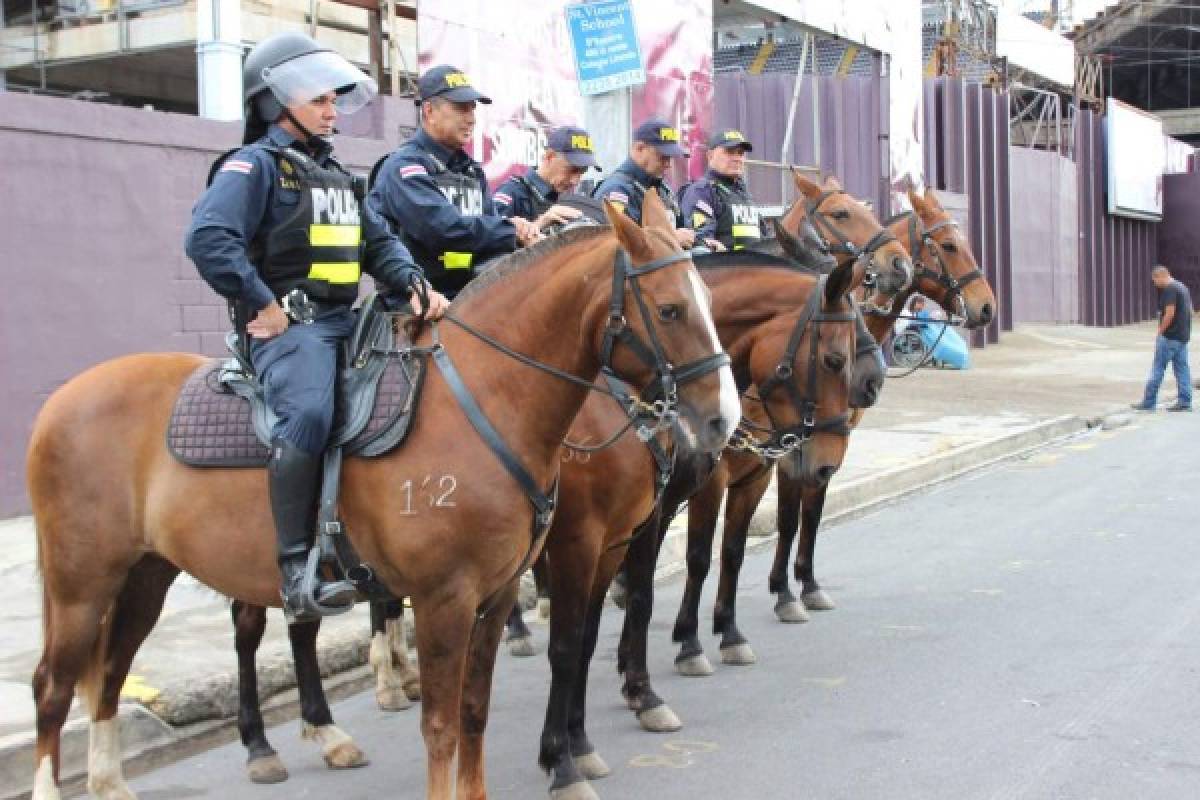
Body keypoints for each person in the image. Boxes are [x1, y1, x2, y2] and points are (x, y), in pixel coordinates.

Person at [184, 32, 449, 623]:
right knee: (307, 413)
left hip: (347, 322)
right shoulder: (252, 166)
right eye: (320, 100)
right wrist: (262, 302)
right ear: (277, 102)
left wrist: (413, 283)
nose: (333, 111)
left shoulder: (337, 175)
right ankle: (295, 568)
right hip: (291, 332)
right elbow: (207, 239)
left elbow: (379, 244)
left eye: (336, 100)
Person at [368, 65, 541, 299]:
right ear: (429, 111)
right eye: (460, 109)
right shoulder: (404, 166)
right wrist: (511, 230)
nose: (471, 119)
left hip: (472, 296)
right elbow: (442, 229)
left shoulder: (471, 170)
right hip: (417, 302)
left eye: (472, 109)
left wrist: (526, 233)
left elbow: (491, 227)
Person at [591, 119, 695, 248]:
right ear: (639, 148)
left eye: (670, 158)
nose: (668, 164)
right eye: (662, 157)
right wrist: (670, 238)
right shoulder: (617, 190)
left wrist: (701, 241)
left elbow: (683, 227)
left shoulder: (661, 188)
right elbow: (617, 242)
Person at [493, 125, 599, 230]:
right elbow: (490, 241)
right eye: (572, 170)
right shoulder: (512, 193)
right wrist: (540, 223)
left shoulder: (568, 199)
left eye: (583, 171)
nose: (575, 181)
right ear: (549, 156)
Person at [679, 128, 765, 251]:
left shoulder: (742, 192)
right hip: (724, 268)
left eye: (740, 153)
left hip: (755, 267)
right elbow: (702, 244)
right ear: (710, 155)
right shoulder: (702, 191)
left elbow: (763, 236)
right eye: (729, 152)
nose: (737, 158)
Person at [1132, 265, 1193, 412]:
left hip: (1169, 337)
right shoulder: (1182, 287)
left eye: (1155, 280)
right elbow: (1190, 311)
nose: (1155, 284)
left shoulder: (1170, 289)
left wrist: (1160, 332)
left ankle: (1148, 403)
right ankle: (1185, 402)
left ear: (1160, 276)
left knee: (1157, 369)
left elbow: (1169, 313)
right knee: (1182, 370)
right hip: (1182, 337)